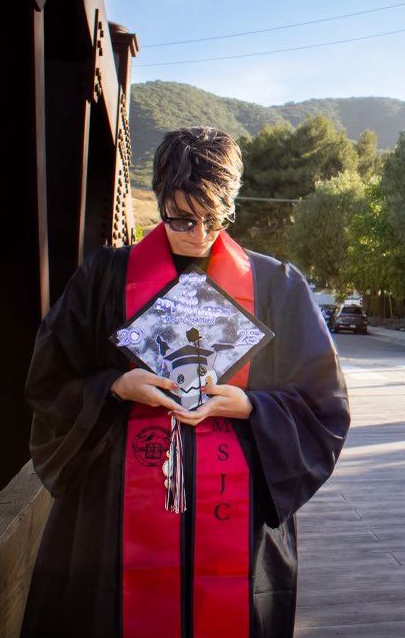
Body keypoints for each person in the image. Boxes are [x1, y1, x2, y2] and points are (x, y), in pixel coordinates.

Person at [20, 126, 350, 638]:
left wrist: (251, 406)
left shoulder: (276, 286)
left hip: (237, 521)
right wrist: (116, 387)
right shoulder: (104, 279)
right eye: (181, 219)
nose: (199, 234)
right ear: (159, 201)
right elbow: (49, 379)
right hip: (114, 523)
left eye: (214, 218)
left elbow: (322, 403)